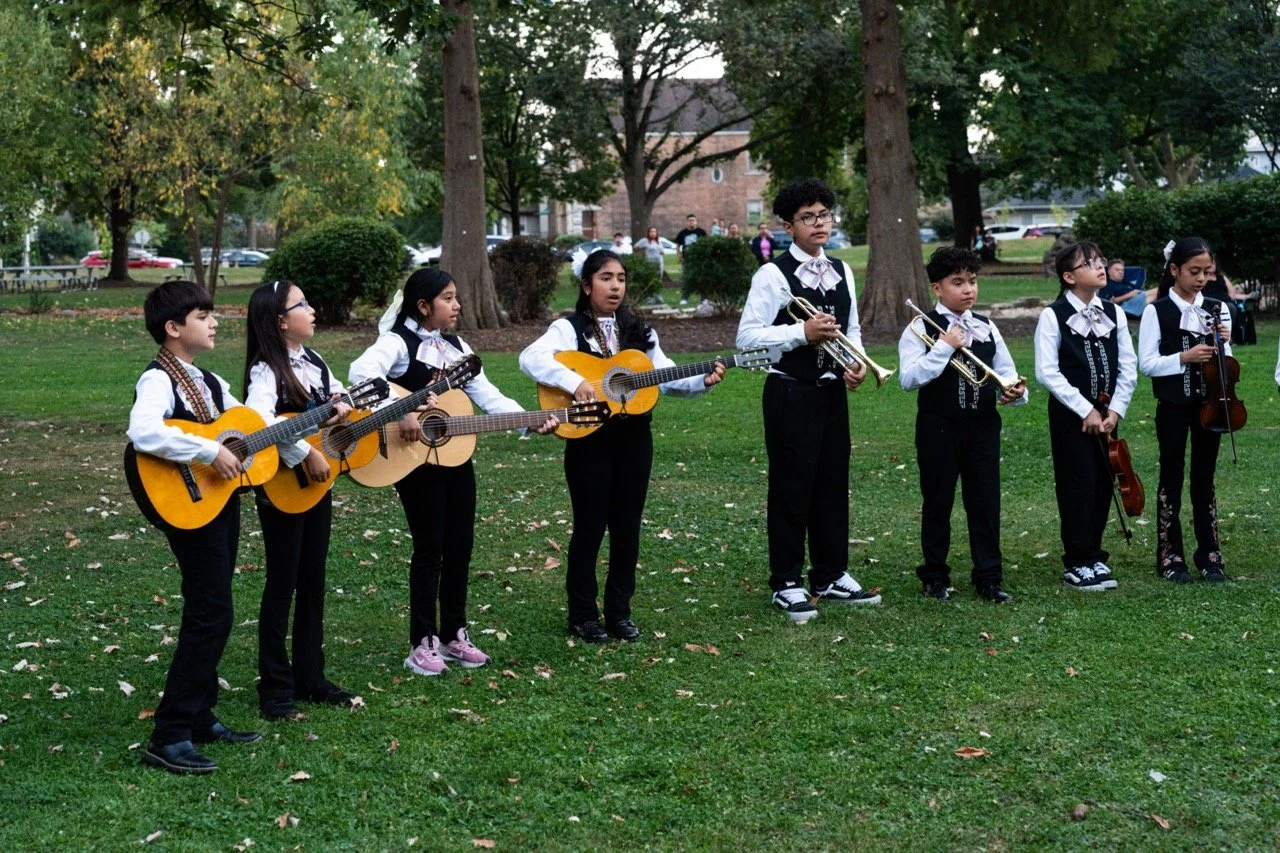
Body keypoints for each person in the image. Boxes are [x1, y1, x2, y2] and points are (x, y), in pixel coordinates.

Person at [349, 268, 558, 676]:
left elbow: (487, 395)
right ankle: (422, 642)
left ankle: (454, 635)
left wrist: (527, 419)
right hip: (413, 460)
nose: (457, 304)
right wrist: (401, 409)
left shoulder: (457, 346)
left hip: (455, 457)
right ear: (423, 306)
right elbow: (361, 374)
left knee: (460, 544)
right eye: (448, 298)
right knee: (431, 546)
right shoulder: (396, 343)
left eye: (456, 296)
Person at [519, 249, 724, 642]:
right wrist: (574, 382)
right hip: (590, 439)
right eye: (606, 278)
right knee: (590, 526)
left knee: (627, 526)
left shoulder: (639, 331)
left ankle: (619, 612)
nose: (616, 286)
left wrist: (702, 379)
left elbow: (662, 374)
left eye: (621, 279)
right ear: (586, 284)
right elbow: (531, 358)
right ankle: (582, 615)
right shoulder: (569, 329)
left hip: (634, 437)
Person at [126, 280, 261, 774]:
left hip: (217, 501)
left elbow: (254, 424)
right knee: (212, 612)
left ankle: (201, 715)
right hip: (185, 502)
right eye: (203, 316)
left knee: (213, 604)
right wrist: (208, 451)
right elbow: (142, 430)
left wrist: (312, 428)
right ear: (173, 328)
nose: (214, 322)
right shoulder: (158, 379)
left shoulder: (207, 381)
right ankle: (170, 733)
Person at [736, 178, 880, 623]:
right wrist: (800, 332)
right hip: (789, 392)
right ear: (788, 226)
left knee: (832, 485)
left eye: (824, 215)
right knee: (791, 487)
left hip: (831, 391)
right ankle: (786, 582)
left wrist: (856, 363)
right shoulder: (772, 274)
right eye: (807, 218)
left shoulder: (842, 269)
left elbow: (850, 327)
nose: (819, 224)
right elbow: (745, 339)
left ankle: (830, 574)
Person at [243, 280, 354, 720]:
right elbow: (257, 424)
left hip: (317, 489)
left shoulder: (316, 362)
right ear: (280, 321)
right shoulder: (265, 371)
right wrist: (304, 451)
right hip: (282, 487)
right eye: (301, 304)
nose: (311, 309)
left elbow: (339, 391)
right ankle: (274, 687)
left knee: (313, 580)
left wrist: (342, 401)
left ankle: (311, 676)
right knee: (282, 583)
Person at [899, 247, 1028, 603]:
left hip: (983, 427)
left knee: (985, 503)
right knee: (938, 501)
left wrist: (1015, 391)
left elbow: (1006, 372)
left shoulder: (986, 326)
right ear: (938, 288)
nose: (968, 289)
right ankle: (935, 576)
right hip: (938, 427)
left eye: (972, 281)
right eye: (958, 283)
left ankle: (988, 576)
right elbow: (908, 379)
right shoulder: (920, 327)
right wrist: (943, 347)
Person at [1034, 241, 1138, 592]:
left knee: (1103, 482)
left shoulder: (1115, 312)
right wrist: (1086, 409)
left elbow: (1129, 367)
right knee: (1077, 483)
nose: (1099, 266)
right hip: (1071, 416)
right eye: (1089, 263)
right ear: (1068, 276)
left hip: (1107, 414)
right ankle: (1077, 560)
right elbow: (1047, 372)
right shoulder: (1053, 315)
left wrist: (1115, 411)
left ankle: (1093, 554)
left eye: (1100, 261)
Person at [1138, 237, 1232, 583]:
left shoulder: (1218, 308)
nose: (1201, 278)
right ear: (1175, 270)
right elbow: (1147, 363)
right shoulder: (1157, 310)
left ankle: (1209, 553)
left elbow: (1229, 362)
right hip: (1174, 405)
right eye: (1194, 271)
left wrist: (1224, 344)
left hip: (1211, 405)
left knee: (1204, 479)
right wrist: (1183, 358)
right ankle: (1169, 554)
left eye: (1207, 271)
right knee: (1172, 476)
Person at [1202, 259, 1257, 346]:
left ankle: (1230, 337)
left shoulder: (1222, 278)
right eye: (1210, 264)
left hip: (1226, 302)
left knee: (1232, 307)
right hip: (1209, 303)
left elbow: (1232, 295)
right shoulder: (1202, 278)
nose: (1212, 266)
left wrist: (1247, 296)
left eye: (1214, 263)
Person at [674, 214, 707, 304]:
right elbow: (677, 245)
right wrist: (679, 256)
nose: (691, 222)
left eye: (693, 220)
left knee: (701, 279)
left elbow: (707, 244)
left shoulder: (701, 232)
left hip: (699, 260)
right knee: (686, 279)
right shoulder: (682, 233)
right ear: (687, 222)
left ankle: (704, 298)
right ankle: (685, 298)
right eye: (690, 220)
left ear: (696, 221)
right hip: (687, 260)